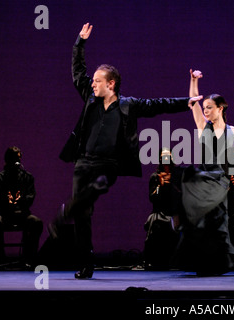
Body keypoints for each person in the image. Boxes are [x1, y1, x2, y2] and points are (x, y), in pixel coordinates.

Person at [49, 23, 202, 279]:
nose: (92, 84)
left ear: (112, 84)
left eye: (98, 81)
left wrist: (184, 103)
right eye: (93, 81)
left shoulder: (128, 105)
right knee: (84, 213)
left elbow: (157, 105)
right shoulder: (90, 97)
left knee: (96, 187)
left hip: (110, 164)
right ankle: (86, 263)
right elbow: (78, 72)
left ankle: (66, 211)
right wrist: (80, 43)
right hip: (84, 161)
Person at [171, 70, 234, 276]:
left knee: (218, 223)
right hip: (204, 180)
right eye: (205, 108)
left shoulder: (232, 131)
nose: (205, 111)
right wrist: (193, 81)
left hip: (222, 182)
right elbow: (194, 102)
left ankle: (221, 262)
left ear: (220, 108)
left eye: (209, 108)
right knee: (201, 222)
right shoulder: (201, 126)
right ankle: (201, 262)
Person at [0, 146, 43, 266]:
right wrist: (12, 207)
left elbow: (30, 198)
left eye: (18, 159)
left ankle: (29, 258)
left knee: (36, 222)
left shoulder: (27, 178)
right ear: (7, 160)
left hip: (22, 214)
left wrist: (19, 207)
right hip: (4, 215)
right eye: (13, 158)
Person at [143, 147, 182, 270]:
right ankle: (150, 260)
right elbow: (152, 198)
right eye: (163, 156)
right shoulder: (155, 177)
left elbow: (182, 195)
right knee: (154, 220)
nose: (166, 159)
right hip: (159, 211)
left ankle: (177, 260)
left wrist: (172, 185)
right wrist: (160, 186)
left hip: (175, 212)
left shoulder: (178, 175)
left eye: (168, 156)